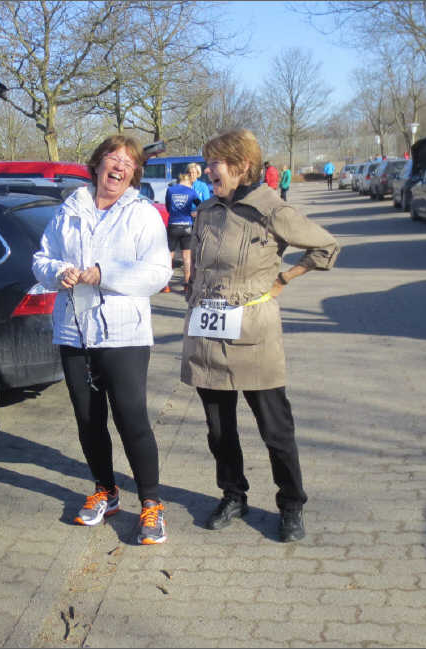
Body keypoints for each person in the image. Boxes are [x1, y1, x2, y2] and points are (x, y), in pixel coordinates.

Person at [182, 129, 340, 543]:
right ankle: (233, 495)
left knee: (275, 428)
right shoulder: (207, 210)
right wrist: (192, 286)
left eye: (215, 163)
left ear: (242, 166)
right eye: (208, 162)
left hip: (255, 331)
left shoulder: (271, 209)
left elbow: (325, 247)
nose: (207, 170)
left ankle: (291, 505)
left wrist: (284, 278)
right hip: (208, 332)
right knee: (219, 430)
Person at [32, 135, 173, 545]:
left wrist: (104, 274)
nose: (120, 166)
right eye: (113, 158)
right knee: (88, 419)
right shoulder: (69, 210)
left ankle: (151, 503)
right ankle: (105, 491)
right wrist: (57, 272)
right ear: (97, 165)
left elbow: (159, 272)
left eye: (128, 163)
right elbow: (41, 259)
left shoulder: (142, 214)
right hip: (74, 331)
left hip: (123, 333)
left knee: (132, 419)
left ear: (134, 174)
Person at [165, 171, 199, 292]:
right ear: (188, 180)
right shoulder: (191, 191)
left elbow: (168, 207)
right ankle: (187, 284)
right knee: (186, 256)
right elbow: (200, 205)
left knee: (170, 254)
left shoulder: (170, 190)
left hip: (173, 224)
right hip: (187, 225)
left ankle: (165, 284)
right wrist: (193, 213)